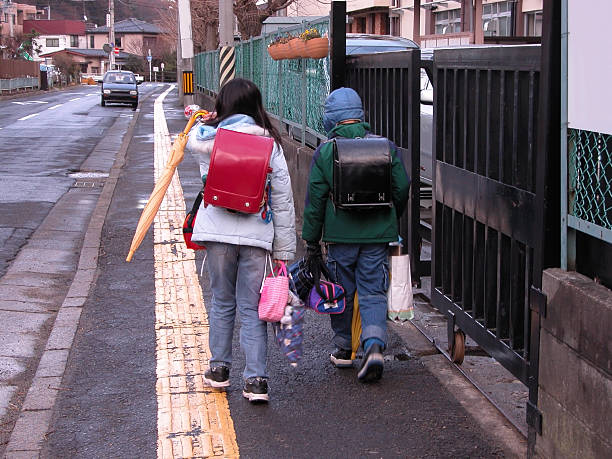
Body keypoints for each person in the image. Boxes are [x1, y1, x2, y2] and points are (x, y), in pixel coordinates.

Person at [186, 78, 296, 402]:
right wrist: (284, 250)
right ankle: (256, 380)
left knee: (222, 303)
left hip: (217, 235)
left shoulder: (208, 139)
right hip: (257, 237)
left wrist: (205, 120)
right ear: (255, 107)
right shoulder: (270, 144)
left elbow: (194, 144)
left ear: (224, 105)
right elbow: (284, 198)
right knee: (251, 310)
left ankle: (219, 369)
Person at [301, 87, 410, 383]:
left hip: (340, 239)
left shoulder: (326, 151)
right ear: (359, 115)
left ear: (330, 119)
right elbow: (402, 187)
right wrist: (390, 216)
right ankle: (373, 346)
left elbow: (315, 202)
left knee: (343, 293)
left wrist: (311, 240)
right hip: (377, 237)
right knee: (373, 292)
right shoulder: (386, 146)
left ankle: (344, 348)